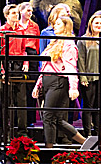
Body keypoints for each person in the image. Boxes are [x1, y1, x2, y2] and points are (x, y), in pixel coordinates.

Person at [31, 16, 85, 147]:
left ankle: (49, 148)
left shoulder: (69, 45)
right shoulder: (53, 42)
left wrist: (73, 87)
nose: (54, 26)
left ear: (66, 26)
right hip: (47, 80)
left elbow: (71, 67)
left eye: (58, 24)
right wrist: (38, 85)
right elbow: (45, 66)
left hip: (58, 81)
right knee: (57, 119)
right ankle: (85, 141)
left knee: (48, 115)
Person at [0, 4, 33, 136]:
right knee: (7, 101)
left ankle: (23, 132)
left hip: (18, 65)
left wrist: (26, 62)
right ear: (6, 16)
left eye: (17, 13)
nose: (16, 15)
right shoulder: (0, 31)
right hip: (5, 64)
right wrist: (2, 71)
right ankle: (6, 132)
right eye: (13, 13)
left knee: (22, 100)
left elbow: (23, 50)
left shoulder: (22, 30)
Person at [78, 10, 101, 139]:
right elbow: (81, 60)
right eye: (96, 23)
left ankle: (98, 134)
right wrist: (83, 77)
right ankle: (87, 134)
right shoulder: (83, 40)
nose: (99, 25)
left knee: (100, 107)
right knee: (89, 106)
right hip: (89, 78)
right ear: (91, 24)